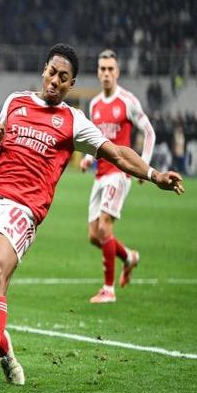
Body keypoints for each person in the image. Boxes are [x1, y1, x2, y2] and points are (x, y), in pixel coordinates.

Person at [0, 43, 183, 393]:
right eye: (52, 73)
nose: (55, 81)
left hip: (25, 207)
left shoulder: (74, 121)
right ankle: (4, 350)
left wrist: (155, 174)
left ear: (71, 84)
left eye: (63, 78)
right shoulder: (14, 101)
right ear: (43, 71)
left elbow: (117, 153)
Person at [79, 49, 156, 303]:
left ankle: (108, 290)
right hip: (100, 174)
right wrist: (88, 158)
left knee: (104, 227)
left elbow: (149, 132)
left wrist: (144, 166)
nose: (106, 73)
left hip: (120, 173)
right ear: (97, 72)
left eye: (110, 69)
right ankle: (128, 257)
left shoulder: (127, 101)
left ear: (117, 72)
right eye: (102, 69)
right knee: (94, 236)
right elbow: (95, 139)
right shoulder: (94, 104)